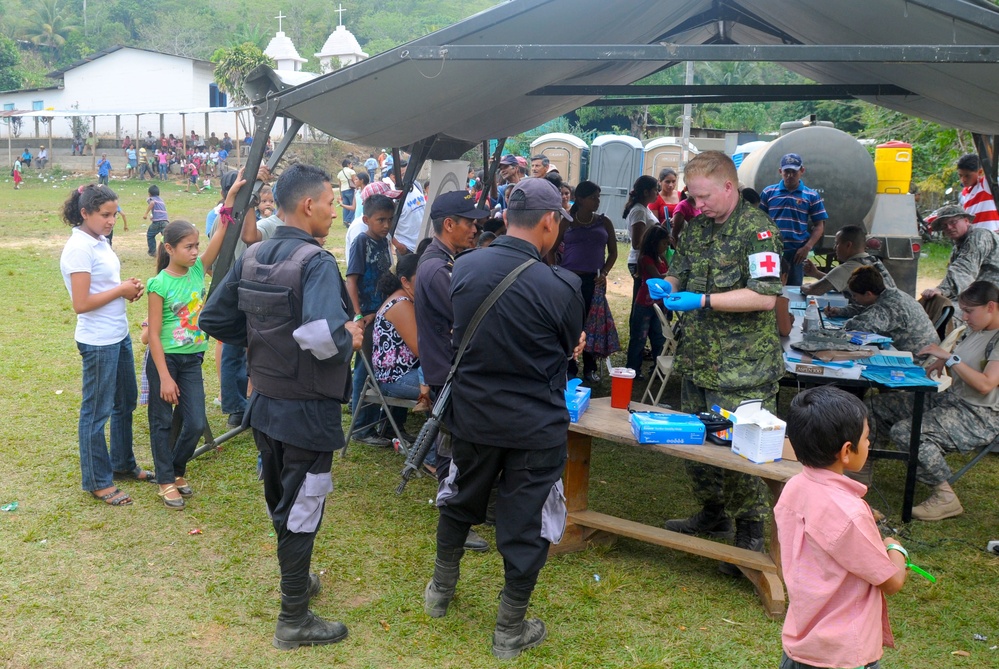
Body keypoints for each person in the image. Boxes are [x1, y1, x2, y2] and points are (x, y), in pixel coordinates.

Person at [200, 163, 362, 650]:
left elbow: (214, 316)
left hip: (264, 407)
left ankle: (298, 580)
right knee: (303, 506)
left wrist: (261, 345)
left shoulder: (254, 255)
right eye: (332, 203)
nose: (335, 212)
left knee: (283, 502)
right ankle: (294, 617)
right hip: (307, 411)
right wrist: (350, 336)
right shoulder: (316, 262)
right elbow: (320, 335)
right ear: (309, 205)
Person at [423, 177, 585, 660]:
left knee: (460, 494)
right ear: (549, 221)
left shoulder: (465, 266)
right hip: (534, 423)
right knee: (526, 520)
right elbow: (566, 347)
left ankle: (439, 590)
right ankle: (509, 629)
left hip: (472, 414)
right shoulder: (564, 285)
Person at [660, 151, 784, 572]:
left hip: (743, 367)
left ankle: (749, 532)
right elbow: (683, 269)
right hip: (699, 359)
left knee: (743, 451)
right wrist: (669, 282)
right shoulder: (697, 227)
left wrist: (704, 300)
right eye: (692, 198)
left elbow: (765, 296)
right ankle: (712, 512)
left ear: (729, 187)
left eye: (703, 197)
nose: (697, 206)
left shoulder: (759, 232)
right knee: (696, 438)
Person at [777, 386, 908, 669]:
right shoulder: (850, 515)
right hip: (842, 656)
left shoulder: (793, 488)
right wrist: (894, 547)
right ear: (847, 451)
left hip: (801, 644)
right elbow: (892, 581)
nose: (870, 443)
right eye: (867, 437)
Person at [872, 280, 999, 520]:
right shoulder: (980, 329)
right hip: (954, 400)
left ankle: (945, 496)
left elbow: (985, 384)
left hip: (980, 415)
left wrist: (950, 359)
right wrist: (945, 361)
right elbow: (963, 360)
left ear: (991, 306)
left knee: (908, 432)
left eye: (970, 311)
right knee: (878, 407)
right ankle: (863, 470)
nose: (964, 316)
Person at [60, 184, 152, 507]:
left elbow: (106, 286)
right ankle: (98, 480)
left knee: (124, 402)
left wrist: (128, 288)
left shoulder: (99, 241)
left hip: (118, 334)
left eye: (114, 214)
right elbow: (81, 302)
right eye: (105, 215)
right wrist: (121, 290)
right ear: (85, 213)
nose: (112, 220)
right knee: (96, 413)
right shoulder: (78, 249)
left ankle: (123, 464)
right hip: (98, 341)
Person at [145, 215, 228, 509]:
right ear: (169, 248)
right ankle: (166, 481)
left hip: (192, 360)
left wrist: (229, 199)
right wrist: (165, 377)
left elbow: (222, 230)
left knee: (193, 423)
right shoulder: (159, 284)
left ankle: (176, 469)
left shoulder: (197, 271)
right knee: (162, 422)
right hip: (164, 360)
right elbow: (153, 335)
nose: (195, 252)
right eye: (188, 247)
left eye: (196, 246)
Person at [554, 180, 617, 382]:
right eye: (593, 198)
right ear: (580, 199)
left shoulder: (604, 222)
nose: (597, 201)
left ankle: (589, 367)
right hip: (569, 280)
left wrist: (604, 273)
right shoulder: (567, 222)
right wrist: (554, 272)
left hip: (593, 280)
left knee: (592, 324)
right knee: (572, 323)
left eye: (598, 197)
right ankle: (570, 366)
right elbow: (551, 248)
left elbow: (614, 253)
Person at [346, 193, 396, 446]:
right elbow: (351, 280)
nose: (386, 225)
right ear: (366, 219)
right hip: (366, 315)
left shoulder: (385, 239)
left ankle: (375, 421)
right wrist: (357, 314)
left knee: (377, 367)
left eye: (389, 219)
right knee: (364, 370)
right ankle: (361, 429)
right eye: (380, 220)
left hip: (383, 314)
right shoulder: (361, 242)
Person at [372, 253, 431, 416]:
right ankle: (435, 441)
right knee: (448, 390)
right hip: (395, 378)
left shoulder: (407, 300)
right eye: (422, 277)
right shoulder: (401, 305)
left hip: (404, 373)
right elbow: (422, 349)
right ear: (405, 281)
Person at [920, 204, 999, 326]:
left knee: (951, 314)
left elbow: (964, 269)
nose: (949, 227)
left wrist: (942, 289)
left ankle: (953, 343)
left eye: (953, 222)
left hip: (992, 297)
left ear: (966, 221)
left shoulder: (979, 236)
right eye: (945, 226)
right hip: (981, 294)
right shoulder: (958, 247)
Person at [759, 153, 828, 286]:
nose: (790, 175)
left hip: (797, 253)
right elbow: (759, 222)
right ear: (780, 171)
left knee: (794, 290)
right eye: (787, 171)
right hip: (771, 251)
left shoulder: (811, 195)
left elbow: (819, 225)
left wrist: (807, 247)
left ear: (802, 171)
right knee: (768, 287)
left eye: (794, 172)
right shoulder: (769, 193)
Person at [840, 266, 938, 355]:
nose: (854, 299)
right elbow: (868, 310)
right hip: (927, 352)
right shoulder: (892, 294)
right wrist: (841, 311)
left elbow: (859, 326)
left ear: (868, 294)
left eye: (855, 295)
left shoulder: (887, 306)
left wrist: (839, 326)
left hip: (918, 359)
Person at [801, 225, 896, 298]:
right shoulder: (873, 261)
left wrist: (802, 287)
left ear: (848, 245)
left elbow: (813, 290)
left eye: (837, 243)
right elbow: (839, 282)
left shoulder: (848, 268)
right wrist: (816, 273)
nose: (834, 248)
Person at [626, 225, 670, 377]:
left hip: (659, 304)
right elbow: (657, 277)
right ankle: (633, 369)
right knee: (639, 338)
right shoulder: (646, 258)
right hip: (644, 304)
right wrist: (671, 276)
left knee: (659, 337)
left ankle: (658, 369)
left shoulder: (661, 257)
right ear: (654, 242)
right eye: (664, 243)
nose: (666, 246)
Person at [625, 175, 664, 303]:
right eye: (655, 190)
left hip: (647, 258)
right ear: (646, 192)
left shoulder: (644, 209)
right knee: (641, 299)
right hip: (640, 260)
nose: (658, 193)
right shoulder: (639, 211)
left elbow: (648, 231)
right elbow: (637, 243)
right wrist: (655, 245)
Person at [957, 153, 999, 231]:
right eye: (960, 175)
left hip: (992, 235)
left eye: (967, 176)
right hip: (974, 238)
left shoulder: (985, 184)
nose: (963, 179)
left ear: (980, 172)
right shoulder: (964, 194)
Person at [143, 184, 170, 257]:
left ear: (149, 193)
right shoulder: (161, 200)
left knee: (150, 235)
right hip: (165, 221)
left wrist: (145, 214)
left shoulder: (151, 199)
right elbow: (160, 210)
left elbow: (152, 203)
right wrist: (153, 216)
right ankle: (168, 252)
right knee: (166, 237)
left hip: (157, 222)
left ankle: (152, 252)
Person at [336, 159, 357, 227]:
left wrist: (341, 194)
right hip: (350, 190)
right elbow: (355, 181)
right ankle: (348, 220)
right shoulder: (351, 171)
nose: (352, 165)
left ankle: (345, 221)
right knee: (353, 206)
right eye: (351, 164)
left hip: (343, 190)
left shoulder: (339, 173)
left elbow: (339, 185)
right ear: (348, 164)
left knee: (345, 206)